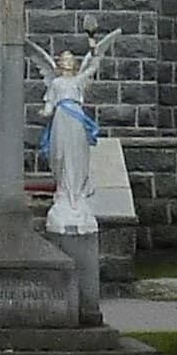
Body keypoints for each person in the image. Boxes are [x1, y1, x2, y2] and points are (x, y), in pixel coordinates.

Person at [34, 31, 118, 236]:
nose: (69, 63)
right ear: (60, 64)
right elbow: (49, 104)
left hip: (76, 119)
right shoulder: (56, 83)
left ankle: (77, 193)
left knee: (77, 153)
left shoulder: (78, 81)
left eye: (71, 60)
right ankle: (64, 190)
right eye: (65, 60)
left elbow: (93, 65)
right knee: (61, 153)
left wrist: (92, 44)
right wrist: (45, 111)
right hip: (62, 119)